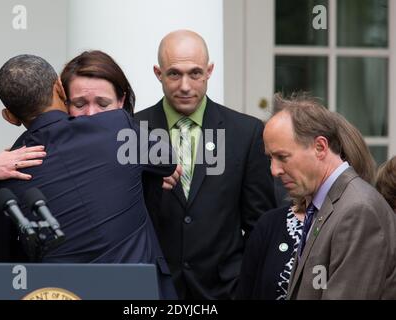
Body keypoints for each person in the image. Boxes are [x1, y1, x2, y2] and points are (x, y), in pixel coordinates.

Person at [0, 54, 177, 299]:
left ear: (10, 116)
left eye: (102, 104)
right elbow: (167, 160)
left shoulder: (10, 171)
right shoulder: (118, 129)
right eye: (81, 103)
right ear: (60, 89)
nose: (93, 113)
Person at [134, 30, 276, 299]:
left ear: (210, 71)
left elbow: (260, 223)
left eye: (195, 73)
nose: (185, 86)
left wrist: (245, 281)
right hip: (153, 289)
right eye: (174, 73)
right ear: (158, 73)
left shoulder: (246, 133)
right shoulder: (133, 131)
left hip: (225, 290)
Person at [236, 93, 377, 300]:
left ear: (321, 148)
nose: (274, 171)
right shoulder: (287, 219)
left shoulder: (358, 211)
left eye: (282, 157)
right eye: (271, 158)